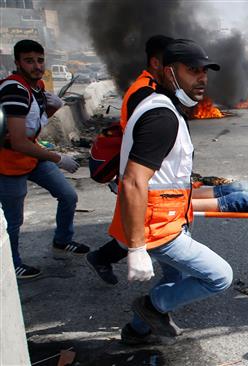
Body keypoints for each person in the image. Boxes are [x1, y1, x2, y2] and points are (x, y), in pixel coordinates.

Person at [111, 39, 232, 345]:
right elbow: (134, 181)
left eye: (204, 71)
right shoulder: (161, 116)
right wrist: (137, 249)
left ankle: (136, 330)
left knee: (175, 277)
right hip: (156, 228)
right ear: (169, 72)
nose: (202, 78)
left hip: (168, 219)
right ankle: (152, 306)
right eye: (192, 70)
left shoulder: (163, 106)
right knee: (220, 276)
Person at [85, 35, 174, 285]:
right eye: (174, 62)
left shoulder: (149, 88)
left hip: (141, 169)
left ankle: (101, 258)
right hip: (140, 171)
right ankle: (166, 291)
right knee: (146, 225)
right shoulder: (144, 92)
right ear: (157, 62)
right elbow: (140, 139)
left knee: (138, 225)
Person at [0, 39, 88, 279]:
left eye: (40, 60)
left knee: (68, 195)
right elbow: (18, 141)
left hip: (30, 156)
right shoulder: (14, 90)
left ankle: (62, 240)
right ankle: (11, 265)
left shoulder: (36, 86)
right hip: (8, 163)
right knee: (12, 221)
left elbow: (33, 125)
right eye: (29, 61)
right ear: (17, 63)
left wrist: (51, 108)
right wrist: (58, 158)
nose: (36, 66)